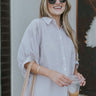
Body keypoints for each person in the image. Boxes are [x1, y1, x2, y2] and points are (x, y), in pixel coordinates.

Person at [17, 0, 86, 96]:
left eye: (62, 0)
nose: (58, 3)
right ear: (45, 3)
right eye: (52, 0)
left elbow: (72, 62)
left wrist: (76, 75)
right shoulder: (37, 26)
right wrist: (51, 74)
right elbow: (26, 61)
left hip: (65, 92)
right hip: (43, 92)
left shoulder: (70, 32)